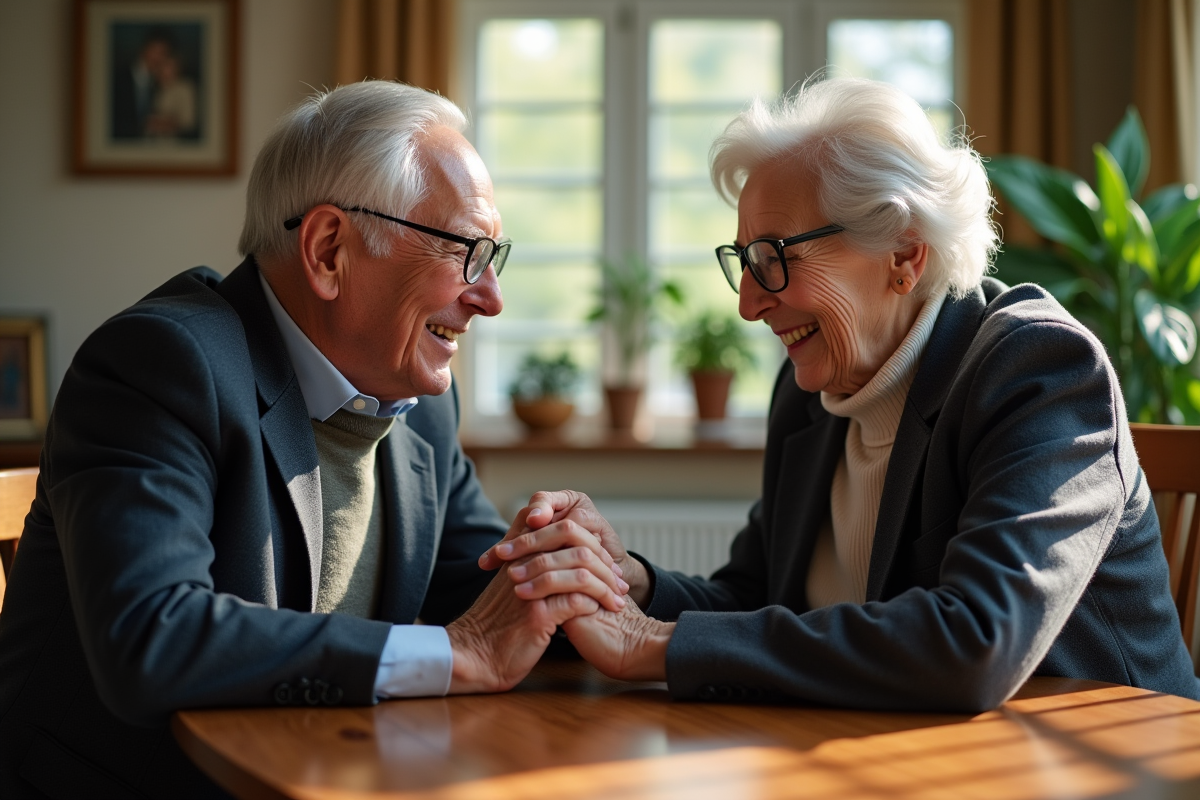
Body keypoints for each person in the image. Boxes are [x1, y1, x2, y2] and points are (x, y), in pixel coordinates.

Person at [483, 77, 1200, 709]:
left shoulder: (1037, 369)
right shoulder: (812, 392)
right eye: (745, 262)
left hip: (1103, 768)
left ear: (903, 255)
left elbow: (975, 640)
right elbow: (758, 599)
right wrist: (626, 584)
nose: (748, 306)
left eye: (774, 260)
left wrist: (656, 645)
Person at [0, 81, 625, 799]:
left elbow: (482, 586)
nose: (490, 296)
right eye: (467, 253)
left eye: (495, 257)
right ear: (329, 250)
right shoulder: (160, 364)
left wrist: (575, 576)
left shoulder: (417, 406)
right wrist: (460, 651)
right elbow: (152, 636)